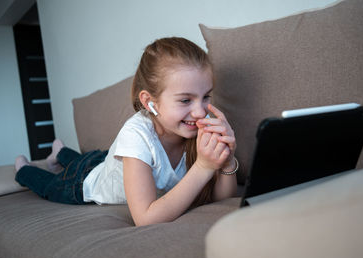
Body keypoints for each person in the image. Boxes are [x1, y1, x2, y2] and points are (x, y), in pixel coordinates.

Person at [15, 37, 238, 226]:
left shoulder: (198, 124)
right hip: (86, 180)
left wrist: (227, 160)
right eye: (186, 100)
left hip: (112, 162)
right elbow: (145, 218)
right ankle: (25, 168)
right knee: (51, 185)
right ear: (150, 102)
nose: (200, 112)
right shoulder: (135, 134)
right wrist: (203, 167)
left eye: (206, 96)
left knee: (88, 159)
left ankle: (61, 152)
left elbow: (222, 199)